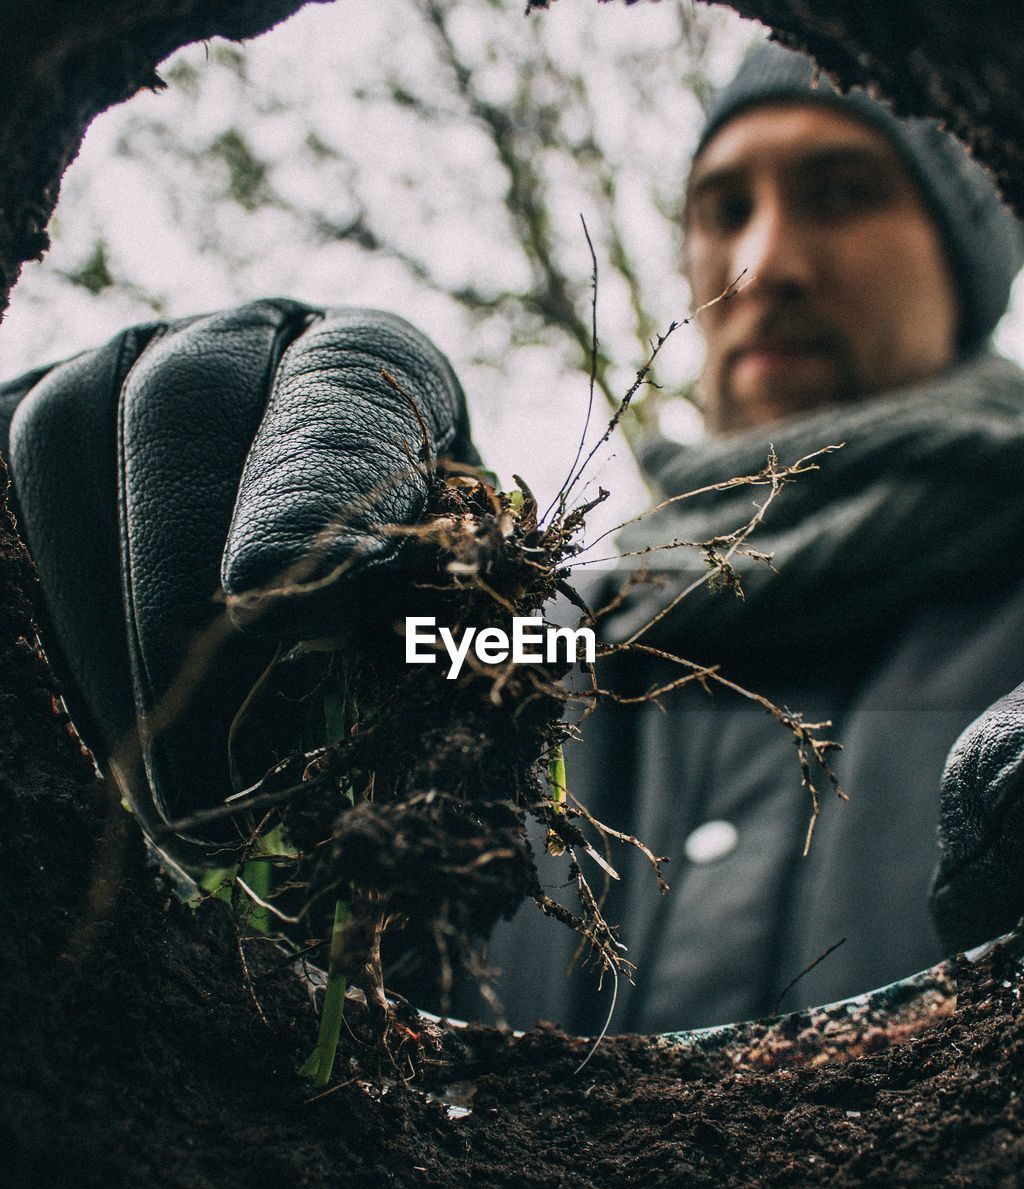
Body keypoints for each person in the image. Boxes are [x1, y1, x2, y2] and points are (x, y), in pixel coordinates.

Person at [2, 42, 1024, 1033]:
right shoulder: (541, 651)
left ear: (967, 261)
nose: (763, 263)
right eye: (722, 210)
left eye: (843, 191)